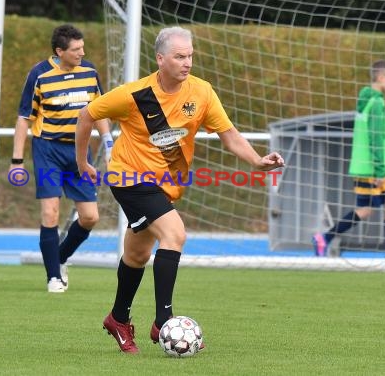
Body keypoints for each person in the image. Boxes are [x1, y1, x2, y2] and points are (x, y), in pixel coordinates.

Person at [75, 27, 285, 353]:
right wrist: (82, 162)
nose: (187, 62)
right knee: (175, 233)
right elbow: (86, 114)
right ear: (160, 59)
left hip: (165, 185)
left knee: (138, 254)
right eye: (179, 56)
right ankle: (164, 322)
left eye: (190, 55)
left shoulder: (201, 93)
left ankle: (117, 318)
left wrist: (257, 161)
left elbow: (228, 134)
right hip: (129, 179)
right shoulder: (134, 94)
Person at [9, 24, 113, 293]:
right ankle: (53, 277)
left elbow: (98, 111)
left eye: (82, 48)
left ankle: (60, 258)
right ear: (60, 51)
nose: (82, 52)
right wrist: (17, 160)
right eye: (76, 49)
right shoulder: (39, 74)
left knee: (90, 217)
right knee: (50, 212)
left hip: (79, 152)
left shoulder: (89, 72)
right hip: (48, 150)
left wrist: (109, 143)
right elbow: (24, 118)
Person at [312, 60, 385, 259]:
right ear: (381, 77)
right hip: (376, 168)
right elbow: (375, 137)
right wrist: (379, 170)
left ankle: (325, 238)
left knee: (377, 207)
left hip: (368, 166)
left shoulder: (365, 99)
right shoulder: (376, 102)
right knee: (383, 206)